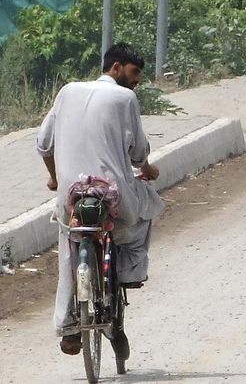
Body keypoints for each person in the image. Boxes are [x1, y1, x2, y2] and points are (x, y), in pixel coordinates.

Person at [37, 43, 163, 356]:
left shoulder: (67, 91)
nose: (136, 81)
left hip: (71, 194)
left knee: (69, 242)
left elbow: (43, 144)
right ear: (116, 67)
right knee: (148, 207)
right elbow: (138, 154)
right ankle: (130, 275)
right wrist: (148, 170)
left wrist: (54, 178)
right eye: (134, 73)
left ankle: (67, 324)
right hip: (112, 193)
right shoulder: (125, 98)